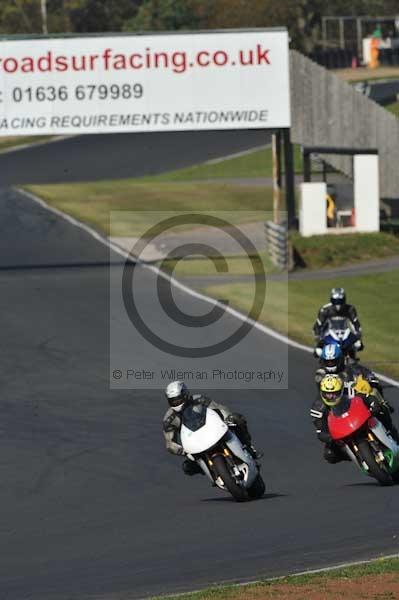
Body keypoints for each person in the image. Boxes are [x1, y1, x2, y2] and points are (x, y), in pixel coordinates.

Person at [163, 381, 261, 476]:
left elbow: (219, 408)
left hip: (212, 429)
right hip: (194, 442)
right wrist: (182, 450)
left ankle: (249, 447)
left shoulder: (199, 399)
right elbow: (170, 443)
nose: (176, 402)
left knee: (236, 418)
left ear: (185, 394)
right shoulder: (169, 419)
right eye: (173, 401)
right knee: (187, 467)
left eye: (178, 399)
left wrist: (227, 417)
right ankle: (210, 471)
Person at [310, 374, 399, 464]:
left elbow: (365, 396)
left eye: (334, 393)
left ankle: (391, 431)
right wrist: (330, 437)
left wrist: (373, 404)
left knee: (381, 409)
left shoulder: (348, 390)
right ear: (322, 392)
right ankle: (357, 456)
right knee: (329, 454)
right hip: (341, 431)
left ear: (340, 390)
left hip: (357, 418)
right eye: (327, 394)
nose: (331, 397)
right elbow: (321, 431)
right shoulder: (318, 408)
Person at [313, 287, 363, 356]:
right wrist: (318, 337)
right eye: (336, 301)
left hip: (345, 333)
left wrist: (358, 334)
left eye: (340, 301)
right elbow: (318, 325)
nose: (338, 304)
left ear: (344, 300)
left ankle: (352, 359)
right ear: (332, 300)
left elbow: (355, 323)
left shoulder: (350, 309)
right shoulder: (325, 310)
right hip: (329, 334)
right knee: (318, 351)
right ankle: (325, 362)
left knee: (358, 345)